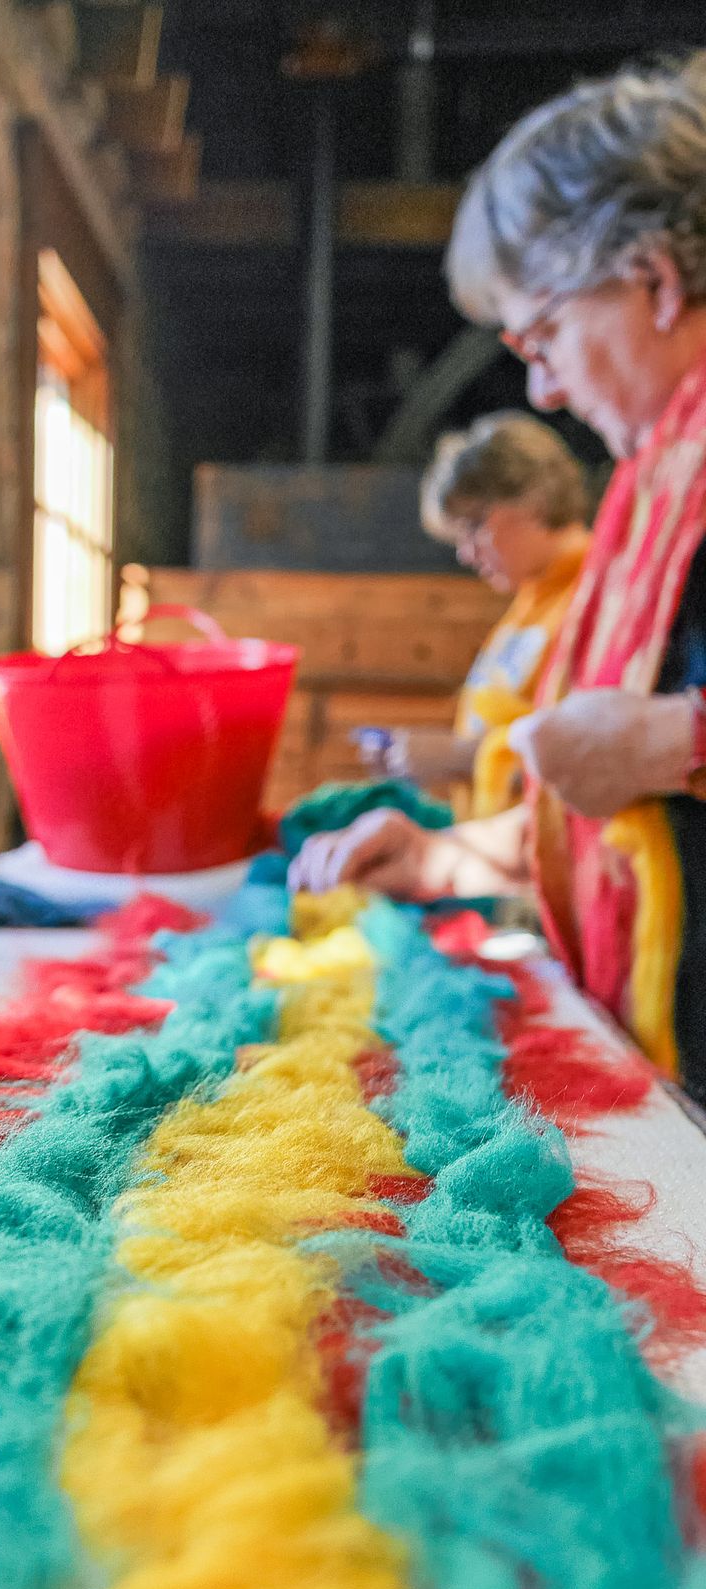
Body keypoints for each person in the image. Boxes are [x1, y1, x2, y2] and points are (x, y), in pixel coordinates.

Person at [291, 52, 706, 1100]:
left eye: (547, 330)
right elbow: (609, 823)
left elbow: (652, 764)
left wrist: (669, 739)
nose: (541, 384)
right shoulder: (653, 490)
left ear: (655, 278)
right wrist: (438, 857)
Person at [373, 413, 590, 815]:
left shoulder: (595, 598)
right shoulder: (529, 603)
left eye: (474, 526)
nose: (464, 553)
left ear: (536, 498)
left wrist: (457, 756)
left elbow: (591, 763)